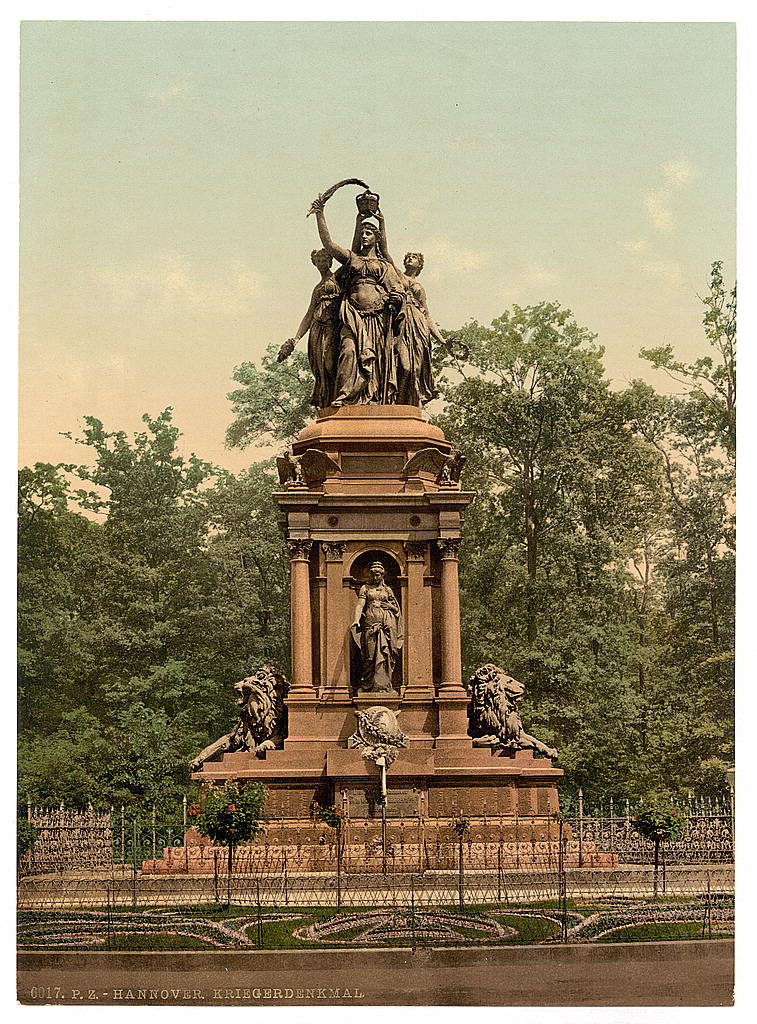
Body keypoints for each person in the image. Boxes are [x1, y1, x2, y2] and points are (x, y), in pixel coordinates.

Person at [310, 195, 406, 406]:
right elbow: (328, 243)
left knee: (377, 359)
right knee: (349, 351)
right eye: (362, 232)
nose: (364, 236)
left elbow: (397, 289)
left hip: (377, 317)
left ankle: (371, 398)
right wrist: (320, 214)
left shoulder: (384, 265)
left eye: (368, 233)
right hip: (352, 315)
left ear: (377, 238)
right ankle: (346, 395)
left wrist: (396, 298)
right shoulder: (352, 259)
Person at [277, 248, 340, 408]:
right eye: (318, 260)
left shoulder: (338, 278)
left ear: (330, 261)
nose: (321, 263)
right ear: (315, 264)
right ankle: (327, 403)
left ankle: (339, 397)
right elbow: (309, 314)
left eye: (324, 259)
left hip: (333, 327)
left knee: (330, 363)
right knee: (321, 368)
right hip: (317, 330)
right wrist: (295, 339)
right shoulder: (317, 288)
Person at [395, 252, 441, 406]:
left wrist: (442, 340)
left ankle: (410, 405)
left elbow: (427, 315)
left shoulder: (420, 287)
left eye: (414, 258)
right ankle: (398, 403)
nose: (410, 259)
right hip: (402, 325)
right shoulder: (397, 275)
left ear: (420, 265)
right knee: (405, 367)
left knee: (416, 368)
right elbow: (386, 254)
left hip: (419, 327)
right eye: (408, 257)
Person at [351, 561, 403, 692]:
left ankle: (384, 685)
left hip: (387, 625)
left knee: (386, 655)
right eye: (373, 574)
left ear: (382, 575)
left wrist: (389, 606)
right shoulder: (365, 588)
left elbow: (396, 610)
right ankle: (368, 685)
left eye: (378, 574)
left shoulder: (388, 590)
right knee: (369, 655)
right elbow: (360, 604)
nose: (375, 577)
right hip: (370, 624)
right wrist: (356, 620)